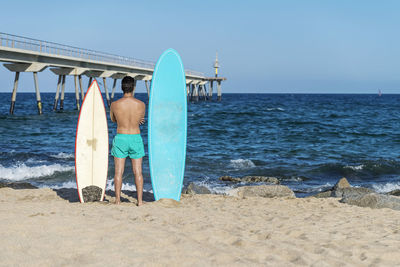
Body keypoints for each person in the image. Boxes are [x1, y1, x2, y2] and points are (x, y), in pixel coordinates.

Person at [110, 76, 145, 205]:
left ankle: (118, 200)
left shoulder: (114, 104)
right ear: (133, 87)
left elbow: (113, 120)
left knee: (118, 171)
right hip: (135, 137)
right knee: (138, 172)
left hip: (121, 138)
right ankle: (140, 201)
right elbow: (140, 119)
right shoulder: (141, 105)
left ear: (122, 87)